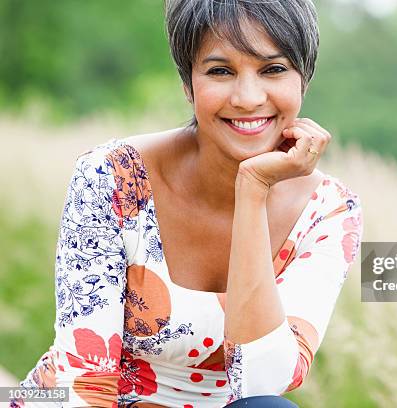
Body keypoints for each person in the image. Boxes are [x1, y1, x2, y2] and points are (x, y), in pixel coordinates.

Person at [12, 0, 363, 406]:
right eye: (220, 71)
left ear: (303, 80)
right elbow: (85, 379)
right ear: (187, 82)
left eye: (273, 69)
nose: (248, 98)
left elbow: (263, 385)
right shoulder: (112, 177)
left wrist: (253, 190)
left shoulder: (329, 211)